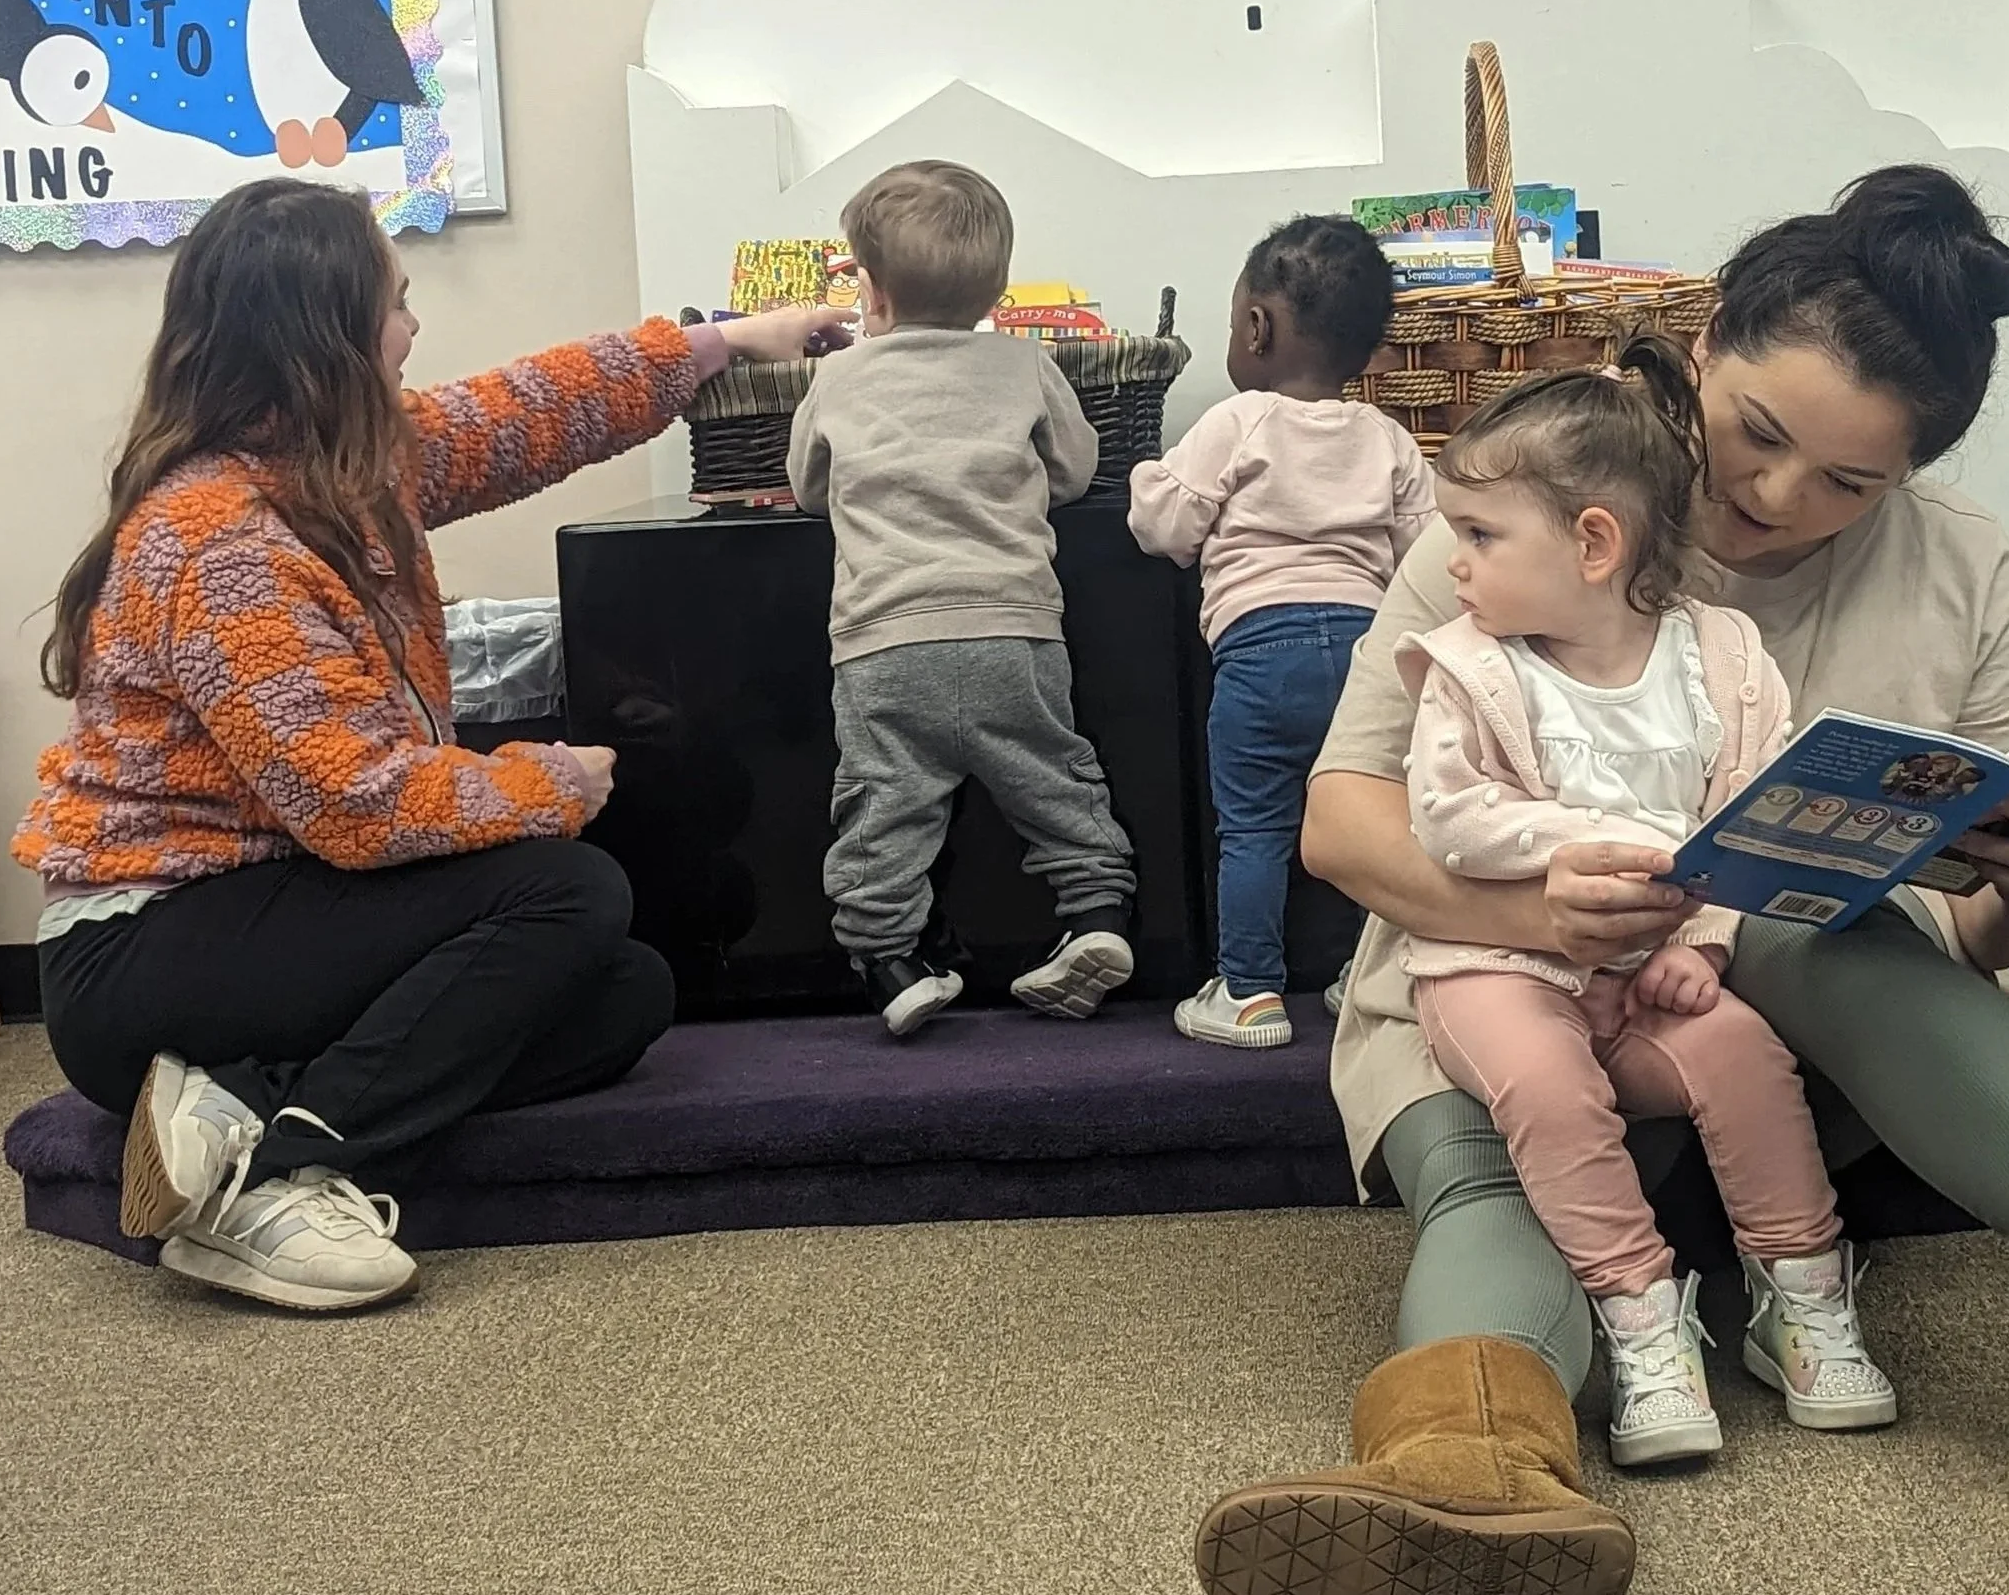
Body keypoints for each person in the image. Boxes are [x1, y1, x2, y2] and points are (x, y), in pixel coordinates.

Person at [1193, 165, 2009, 1595]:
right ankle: (1462, 1477)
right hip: (1507, 1003)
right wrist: (1538, 911)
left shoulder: (1962, 567)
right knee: (1490, 1156)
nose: (1781, 499)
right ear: (1705, 342)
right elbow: (1343, 823)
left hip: (1806, 1046)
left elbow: (1972, 949)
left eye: (1851, 482)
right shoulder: (1524, 507)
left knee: (1795, 923)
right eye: (1758, 434)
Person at [17, 176, 847, 1315]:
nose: (415, 325)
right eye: (397, 302)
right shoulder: (219, 539)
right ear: (332, 336)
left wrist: (731, 340)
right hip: (144, 953)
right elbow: (359, 806)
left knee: (624, 992)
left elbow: (531, 408)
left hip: (268, 911)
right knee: (568, 888)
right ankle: (277, 1171)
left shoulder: (346, 467)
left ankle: (238, 1110)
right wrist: (552, 778)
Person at [1402, 347, 1895, 1469]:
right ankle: (1639, 1315)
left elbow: (1746, 819)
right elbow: (1448, 816)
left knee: (1744, 1056)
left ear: (1593, 543)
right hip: (1494, 966)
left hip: (1656, 968)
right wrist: (1591, 846)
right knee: (1546, 1082)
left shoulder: (1722, 659)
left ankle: (1801, 1298)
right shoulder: (1469, 667)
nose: (1453, 560)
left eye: (1479, 534)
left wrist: (1707, 941)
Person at [787, 159, 1137, 1038]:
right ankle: (1096, 913)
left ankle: (889, 961)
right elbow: (1075, 469)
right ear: (996, 290)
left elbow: (807, 487)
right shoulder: (1024, 364)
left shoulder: (838, 379)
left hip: (883, 642)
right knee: (1054, 777)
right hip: (1011, 629)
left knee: (883, 804)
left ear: (872, 292)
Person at [1127, 215, 1431, 1047]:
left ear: (1256, 328)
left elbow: (1165, 526)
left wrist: (1149, 476)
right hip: (1369, 658)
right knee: (1373, 823)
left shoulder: (1240, 420)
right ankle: (1368, 974)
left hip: (1262, 655)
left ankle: (1250, 992)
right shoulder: (1388, 438)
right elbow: (1426, 559)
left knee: (1256, 828)